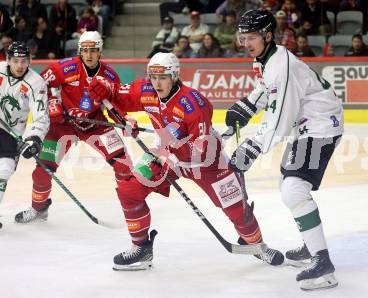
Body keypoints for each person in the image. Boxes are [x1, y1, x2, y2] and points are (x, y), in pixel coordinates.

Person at [88, 52, 285, 270]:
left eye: (162, 77)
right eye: (153, 77)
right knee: (129, 192)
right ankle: (141, 249)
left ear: (174, 75)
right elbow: (115, 94)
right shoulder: (146, 91)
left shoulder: (193, 103)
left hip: (208, 162)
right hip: (168, 155)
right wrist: (103, 87)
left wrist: (171, 152)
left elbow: (202, 152)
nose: (156, 83)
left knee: (237, 210)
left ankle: (257, 245)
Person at [13, 31, 155, 271]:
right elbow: (40, 86)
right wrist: (52, 104)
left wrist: (125, 121)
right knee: (43, 169)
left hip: (94, 126)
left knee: (124, 166)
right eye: (85, 50)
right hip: (62, 126)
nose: (89, 54)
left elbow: (117, 103)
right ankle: (39, 208)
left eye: (94, 50)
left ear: (100, 51)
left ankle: (133, 207)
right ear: (80, 50)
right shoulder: (64, 67)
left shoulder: (109, 75)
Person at [225, 9, 343, 291]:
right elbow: (266, 90)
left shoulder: (281, 65)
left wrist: (253, 147)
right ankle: (311, 246)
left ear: (267, 36)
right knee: (289, 186)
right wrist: (246, 107)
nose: (246, 43)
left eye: (251, 37)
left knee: (293, 189)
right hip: (308, 127)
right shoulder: (266, 59)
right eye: (243, 37)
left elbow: (281, 116)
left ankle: (323, 265)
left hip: (320, 127)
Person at [0, 42, 49, 228]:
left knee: (4, 169)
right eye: (15, 61)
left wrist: (35, 138)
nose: (19, 65)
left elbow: (40, 116)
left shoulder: (36, 83)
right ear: (8, 60)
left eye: (23, 61)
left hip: (11, 132)